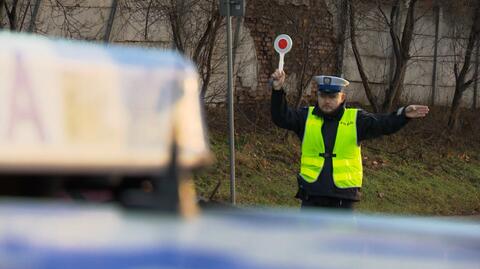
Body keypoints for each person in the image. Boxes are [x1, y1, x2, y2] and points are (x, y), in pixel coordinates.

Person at [270, 70, 429, 210]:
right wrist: (278, 91)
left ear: (342, 97)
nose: (327, 100)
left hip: (343, 198)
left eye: (332, 96)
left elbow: (383, 124)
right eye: (323, 95)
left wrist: (403, 114)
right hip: (312, 195)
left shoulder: (356, 119)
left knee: (342, 243)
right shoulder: (305, 117)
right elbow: (281, 117)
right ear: (317, 96)